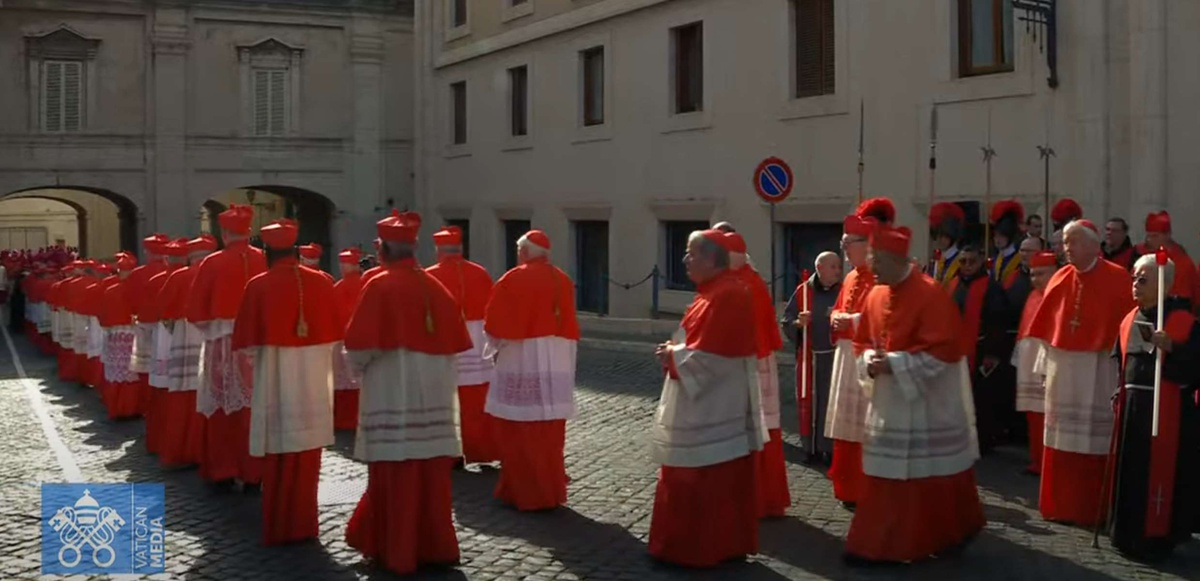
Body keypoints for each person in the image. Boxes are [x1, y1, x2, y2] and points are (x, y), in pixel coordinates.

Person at [845, 224, 984, 565]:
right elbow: (862, 342)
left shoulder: (930, 293)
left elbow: (944, 352)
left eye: (876, 260)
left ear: (895, 259)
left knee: (930, 476)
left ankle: (917, 540)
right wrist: (869, 360)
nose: (871, 268)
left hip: (927, 402)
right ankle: (877, 543)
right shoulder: (876, 293)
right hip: (890, 400)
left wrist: (893, 363)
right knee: (885, 474)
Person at [343, 211, 472, 575]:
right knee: (432, 476)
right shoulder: (436, 286)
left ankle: (397, 550)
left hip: (392, 394)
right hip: (434, 397)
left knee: (395, 472)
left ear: (382, 249)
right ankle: (437, 547)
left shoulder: (379, 285)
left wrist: (357, 369)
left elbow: (359, 349)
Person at [648, 229, 764, 567]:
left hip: (714, 406)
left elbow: (713, 359)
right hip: (706, 400)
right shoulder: (709, 293)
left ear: (713, 259)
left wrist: (673, 354)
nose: (685, 260)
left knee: (702, 479)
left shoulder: (729, 294)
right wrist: (675, 353)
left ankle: (697, 547)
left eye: (691, 253)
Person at [232, 218, 342, 546]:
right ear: (295, 249)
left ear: (267, 251)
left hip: (277, 377)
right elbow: (337, 335)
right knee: (308, 452)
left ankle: (279, 521)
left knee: (278, 451)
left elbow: (246, 343)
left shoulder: (259, 285)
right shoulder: (323, 282)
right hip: (314, 378)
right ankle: (305, 522)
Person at [1027, 219, 1135, 526]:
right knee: (1060, 440)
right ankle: (1059, 506)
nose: (1066, 249)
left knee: (1093, 441)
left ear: (1092, 244)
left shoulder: (1117, 278)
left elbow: (1125, 332)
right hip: (1063, 372)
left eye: (1072, 243)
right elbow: (1048, 332)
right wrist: (1042, 368)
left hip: (1098, 371)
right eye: (1064, 243)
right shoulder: (1060, 277)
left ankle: (1091, 510)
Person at [1109, 254, 1200, 560]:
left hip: (1168, 413)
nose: (1135, 284)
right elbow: (1123, 363)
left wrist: (1173, 347)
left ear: (1165, 284)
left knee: (1158, 478)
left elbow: (1195, 369)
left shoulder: (1185, 322)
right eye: (1134, 277)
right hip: (1133, 409)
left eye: (1143, 279)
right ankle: (1125, 533)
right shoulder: (1129, 318)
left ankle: (1158, 538)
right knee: (1131, 473)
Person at [483, 229, 579, 511]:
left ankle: (524, 490)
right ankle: (550, 487)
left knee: (519, 428)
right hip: (558, 358)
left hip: (522, 358)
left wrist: (495, 348)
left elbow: (494, 323)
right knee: (549, 428)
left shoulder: (514, 277)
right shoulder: (562, 278)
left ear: (523, 253)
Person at [186, 204, 267, 487]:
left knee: (222, 408)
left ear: (224, 232)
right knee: (253, 408)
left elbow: (195, 310)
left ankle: (222, 470)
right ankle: (254, 471)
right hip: (257, 346)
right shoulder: (262, 259)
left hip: (222, 344)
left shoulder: (213, 262)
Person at [712, 224, 788, 518]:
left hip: (747, 364)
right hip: (754, 360)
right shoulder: (749, 279)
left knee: (752, 431)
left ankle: (752, 498)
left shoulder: (740, 283)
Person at [425, 225, 498, 465]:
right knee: (477, 402)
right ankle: (483, 451)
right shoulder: (480, 273)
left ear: (439, 250)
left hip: (445, 344)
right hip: (477, 346)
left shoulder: (430, 276)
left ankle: (451, 454)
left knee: (445, 402)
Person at [825, 213, 881, 510]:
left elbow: (884, 318)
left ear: (867, 243)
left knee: (864, 428)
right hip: (845, 357)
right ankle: (846, 484)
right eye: (843, 243)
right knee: (846, 426)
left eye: (849, 243)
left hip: (867, 359)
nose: (844, 249)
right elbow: (836, 309)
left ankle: (864, 487)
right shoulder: (849, 277)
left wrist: (852, 322)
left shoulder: (881, 275)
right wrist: (836, 318)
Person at [156, 235, 217, 468]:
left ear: (190, 256)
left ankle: (183, 449)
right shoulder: (216, 274)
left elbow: (163, 308)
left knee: (184, 394)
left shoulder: (179, 276)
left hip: (184, 335)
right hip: (212, 335)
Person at [947, 245, 1011, 451]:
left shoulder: (991, 287)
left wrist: (992, 353)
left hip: (982, 351)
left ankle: (982, 442)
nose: (966, 266)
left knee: (981, 400)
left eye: (971, 261)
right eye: (962, 261)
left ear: (981, 261)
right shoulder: (954, 284)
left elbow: (998, 322)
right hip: (955, 352)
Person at [783, 251, 842, 464]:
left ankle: (828, 448)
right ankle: (809, 448)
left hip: (833, 357)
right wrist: (798, 324)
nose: (838, 271)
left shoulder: (842, 291)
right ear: (820, 268)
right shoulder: (803, 292)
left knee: (829, 404)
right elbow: (786, 320)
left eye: (838, 266)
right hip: (810, 357)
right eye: (833, 267)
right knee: (809, 402)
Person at [1012, 251, 1058, 475]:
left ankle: (1047, 462)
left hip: (1047, 362)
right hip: (1029, 363)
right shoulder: (1032, 296)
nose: (1035, 279)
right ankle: (1035, 460)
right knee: (1032, 414)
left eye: (1041, 274)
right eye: (1032, 274)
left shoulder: (1058, 295)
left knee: (1048, 414)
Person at [127, 234, 170, 415]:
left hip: (145, 323)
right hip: (168, 326)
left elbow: (131, 300)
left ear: (148, 252)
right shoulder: (173, 271)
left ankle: (147, 403)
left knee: (146, 367)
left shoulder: (138, 274)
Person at [98, 252, 143, 420]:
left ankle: (116, 407)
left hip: (114, 334)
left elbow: (102, 315)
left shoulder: (110, 290)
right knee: (132, 372)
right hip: (132, 332)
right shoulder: (138, 290)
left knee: (116, 372)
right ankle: (131, 407)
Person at [333, 247, 365, 431]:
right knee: (359, 382)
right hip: (360, 338)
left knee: (343, 382)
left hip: (342, 338)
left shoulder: (339, 287)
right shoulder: (364, 283)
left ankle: (343, 420)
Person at [1143, 211, 1197, 304]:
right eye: (1148, 235)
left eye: (1155, 236)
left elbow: (1182, 300)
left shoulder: (1182, 263)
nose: (1149, 239)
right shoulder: (1146, 257)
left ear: (1167, 235)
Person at [929, 202, 967, 286]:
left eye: (944, 236)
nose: (939, 240)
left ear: (952, 235)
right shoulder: (933, 263)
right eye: (936, 235)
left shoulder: (963, 262)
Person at [990, 200, 1025, 285]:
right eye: (996, 235)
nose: (997, 239)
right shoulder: (995, 259)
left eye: (1002, 236)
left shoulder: (1020, 260)